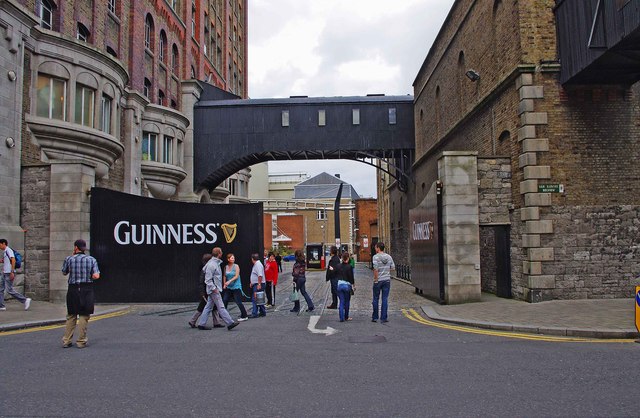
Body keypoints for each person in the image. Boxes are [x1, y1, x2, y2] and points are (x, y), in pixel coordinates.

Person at [60, 239, 99, 348]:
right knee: (84, 315)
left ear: (76, 247)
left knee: (71, 315)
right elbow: (96, 275)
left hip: (73, 289)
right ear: (84, 248)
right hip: (86, 288)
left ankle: (66, 340)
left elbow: (64, 272)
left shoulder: (69, 259)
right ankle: (81, 341)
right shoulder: (91, 260)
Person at [196, 247, 239, 331]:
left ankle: (201, 324)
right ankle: (230, 323)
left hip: (213, 289)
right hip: (214, 290)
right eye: (221, 252)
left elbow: (205, 272)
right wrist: (214, 288)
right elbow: (208, 279)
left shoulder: (212, 263)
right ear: (219, 253)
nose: (222, 253)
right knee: (221, 306)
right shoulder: (212, 264)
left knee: (208, 307)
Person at [188, 253, 225, 329]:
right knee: (203, 306)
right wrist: (202, 293)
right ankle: (192, 321)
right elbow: (202, 282)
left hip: (209, 290)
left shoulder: (207, 267)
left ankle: (216, 322)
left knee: (214, 306)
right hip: (207, 291)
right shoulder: (205, 269)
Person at [0, 239, 31, 311]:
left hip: (8, 273)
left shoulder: (8, 250)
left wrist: (12, 272)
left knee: (9, 290)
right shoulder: (5, 252)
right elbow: (8, 261)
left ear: (3, 243)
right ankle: (1, 306)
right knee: (1, 289)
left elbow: (13, 260)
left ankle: (25, 300)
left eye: (0, 244)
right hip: (4, 273)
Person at [371, 242, 395, 323]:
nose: (375, 248)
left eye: (375, 247)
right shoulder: (389, 257)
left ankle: (375, 317)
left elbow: (375, 269)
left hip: (378, 280)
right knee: (385, 299)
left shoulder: (375, 257)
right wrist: (386, 270)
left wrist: (376, 279)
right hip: (387, 280)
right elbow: (393, 268)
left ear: (378, 248)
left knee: (375, 299)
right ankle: (383, 317)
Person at [222, 253, 248, 321]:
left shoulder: (236, 266)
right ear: (228, 259)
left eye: (233, 258)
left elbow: (236, 276)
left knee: (238, 301)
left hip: (236, 286)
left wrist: (229, 281)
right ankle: (223, 315)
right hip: (229, 287)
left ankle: (244, 315)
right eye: (232, 258)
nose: (233, 259)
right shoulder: (226, 267)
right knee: (225, 300)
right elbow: (224, 276)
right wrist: (224, 283)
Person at [336, 252, 355, 322]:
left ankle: (341, 317)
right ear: (347, 258)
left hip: (339, 285)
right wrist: (353, 285)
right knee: (347, 302)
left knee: (341, 301)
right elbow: (351, 277)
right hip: (347, 285)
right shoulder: (349, 267)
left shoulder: (338, 266)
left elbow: (335, 273)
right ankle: (346, 316)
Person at [249, 253, 267, 318]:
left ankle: (255, 313)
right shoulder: (257, 264)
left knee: (255, 299)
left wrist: (259, 284)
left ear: (252, 259)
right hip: (257, 283)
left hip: (259, 284)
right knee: (259, 298)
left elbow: (260, 275)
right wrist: (252, 282)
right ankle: (262, 312)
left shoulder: (258, 265)